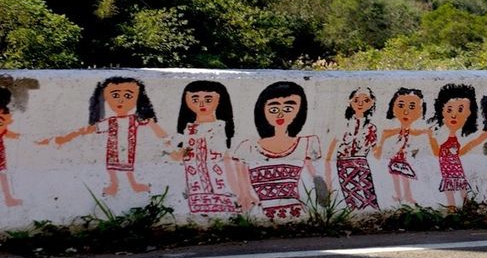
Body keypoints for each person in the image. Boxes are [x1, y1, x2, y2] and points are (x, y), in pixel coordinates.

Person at [38, 76, 168, 196]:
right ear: (105, 97)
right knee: (112, 168)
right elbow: (88, 130)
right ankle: (114, 185)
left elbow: (154, 128)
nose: (121, 100)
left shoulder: (134, 120)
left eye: (128, 95)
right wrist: (66, 138)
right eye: (115, 95)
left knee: (128, 167)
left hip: (128, 149)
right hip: (113, 149)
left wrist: (166, 139)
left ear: (138, 98)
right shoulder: (110, 122)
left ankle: (133, 185)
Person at [233, 81, 321, 219]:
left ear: (299, 111)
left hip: (296, 212)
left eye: (288, 109)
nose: (280, 114)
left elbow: (315, 177)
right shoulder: (246, 147)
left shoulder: (307, 144)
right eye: (274, 109)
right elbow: (242, 186)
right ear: (262, 110)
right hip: (259, 212)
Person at [171, 80, 238, 214]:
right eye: (195, 99)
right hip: (195, 183)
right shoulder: (188, 129)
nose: (201, 104)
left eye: (208, 99)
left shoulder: (221, 127)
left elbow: (226, 156)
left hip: (220, 180)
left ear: (220, 100)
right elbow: (180, 155)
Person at [428, 84, 485, 210]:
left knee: (461, 187)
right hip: (447, 170)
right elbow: (437, 152)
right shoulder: (442, 137)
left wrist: (479, 139)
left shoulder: (455, 138)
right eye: (449, 110)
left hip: (456, 169)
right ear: (442, 111)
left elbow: (463, 150)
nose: (454, 115)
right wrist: (431, 137)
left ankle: (464, 206)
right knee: (450, 189)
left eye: (460, 110)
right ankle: (453, 207)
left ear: (469, 113)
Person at [325, 87, 379, 210]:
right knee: (351, 194)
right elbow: (333, 146)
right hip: (344, 164)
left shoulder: (371, 127)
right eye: (356, 100)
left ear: (372, 103)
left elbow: (375, 151)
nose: (360, 104)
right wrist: (327, 165)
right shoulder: (344, 124)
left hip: (362, 164)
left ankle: (369, 214)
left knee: (368, 194)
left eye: (366, 100)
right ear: (350, 101)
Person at [375, 88, 429, 204]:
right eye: (401, 106)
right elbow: (386, 134)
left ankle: (407, 196)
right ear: (393, 108)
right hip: (395, 157)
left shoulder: (409, 130)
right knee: (396, 176)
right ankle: (399, 195)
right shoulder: (395, 131)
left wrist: (425, 133)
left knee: (405, 177)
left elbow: (415, 133)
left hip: (404, 158)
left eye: (412, 107)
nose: (406, 112)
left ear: (420, 110)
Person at [0, 87, 23, 206]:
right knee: (2, 173)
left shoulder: (4, 113)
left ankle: (8, 197)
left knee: (2, 173)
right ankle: (8, 197)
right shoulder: (4, 114)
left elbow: (4, 130)